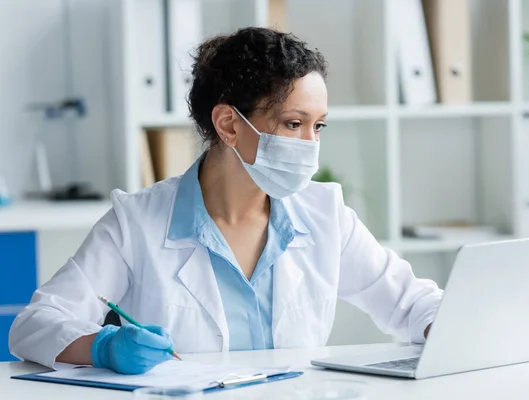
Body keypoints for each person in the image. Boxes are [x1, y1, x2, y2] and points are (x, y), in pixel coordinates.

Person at [9, 27, 442, 375]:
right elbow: (34, 325)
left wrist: (457, 322)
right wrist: (103, 348)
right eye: (294, 124)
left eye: (319, 127)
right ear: (228, 124)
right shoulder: (136, 222)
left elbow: (411, 303)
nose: (310, 144)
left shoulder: (324, 214)